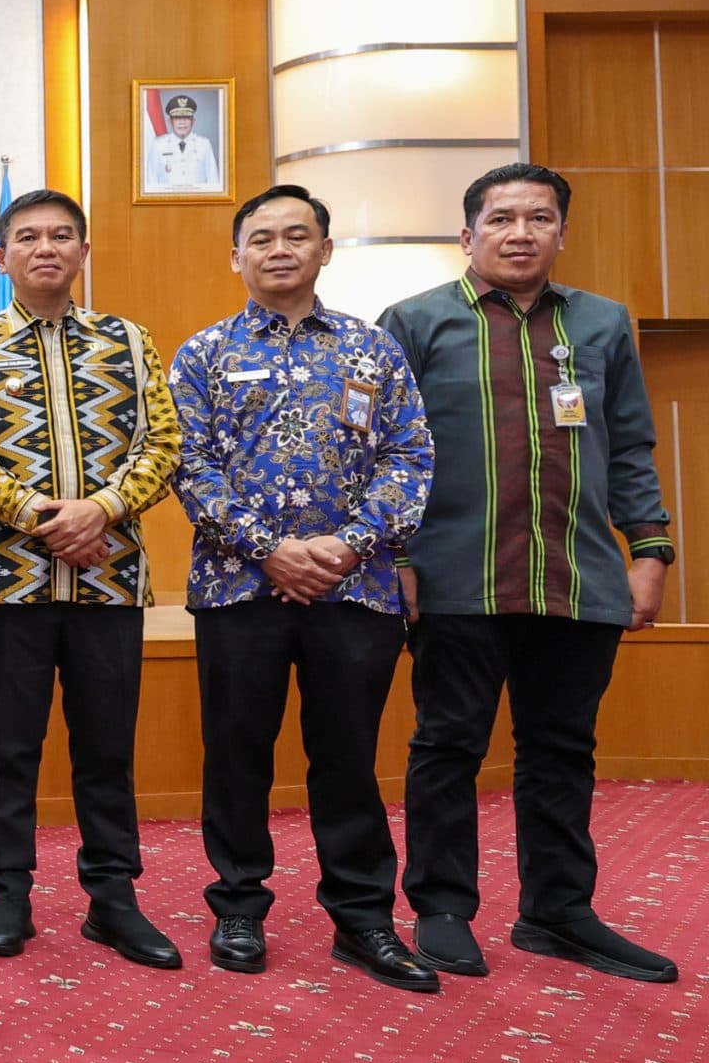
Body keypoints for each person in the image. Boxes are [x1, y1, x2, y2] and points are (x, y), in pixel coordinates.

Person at [381, 163, 680, 984]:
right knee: (448, 744)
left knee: (562, 749)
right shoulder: (414, 321)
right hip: (455, 576)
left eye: (539, 218)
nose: (521, 233)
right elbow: (385, 453)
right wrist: (396, 558)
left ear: (562, 233)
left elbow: (630, 444)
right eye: (502, 218)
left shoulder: (601, 323)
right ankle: (442, 907)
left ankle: (558, 911)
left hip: (576, 576)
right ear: (467, 233)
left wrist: (650, 551)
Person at [169, 184, 439, 992]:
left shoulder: (373, 349)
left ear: (326, 249)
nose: (280, 248)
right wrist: (270, 550)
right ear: (236, 256)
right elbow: (189, 465)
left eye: (297, 235)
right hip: (238, 589)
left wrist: (348, 546)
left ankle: (363, 918)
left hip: (355, 591)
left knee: (349, 758)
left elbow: (411, 457)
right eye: (262, 238)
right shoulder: (204, 354)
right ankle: (238, 907)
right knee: (236, 755)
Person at [0, 187, 184, 969]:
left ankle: (113, 897)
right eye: (28, 236)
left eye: (61, 235)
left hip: (109, 583)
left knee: (107, 747)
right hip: (9, 584)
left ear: (83, 251)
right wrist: (46, 517)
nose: (45, 248)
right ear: (1, 256)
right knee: (10, 746)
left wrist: (101, 509)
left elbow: (164, 444)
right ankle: (7, 889)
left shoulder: (128, 340)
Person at [143, 94, 221, 196]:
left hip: (198, 202)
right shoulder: (158, 145)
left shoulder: (204, 144)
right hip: (166, 202)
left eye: (186, 118)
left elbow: (213, 182)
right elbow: (151, 182)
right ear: (170, 121)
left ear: (193, 121)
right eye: (177, 118)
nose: (182, 122)